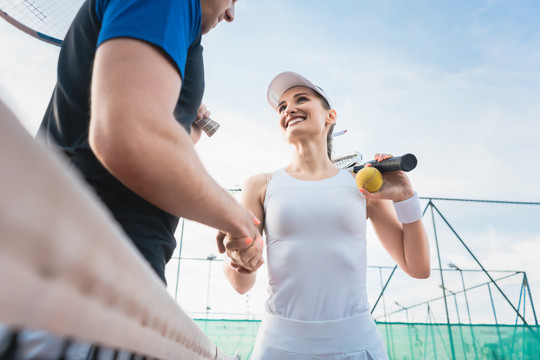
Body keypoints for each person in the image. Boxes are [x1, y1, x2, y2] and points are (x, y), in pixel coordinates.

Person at [37, 0, 263, 282]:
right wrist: (238, 220)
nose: (230, 14)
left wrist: (184, 124)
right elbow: (132, 138)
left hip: (84, 252)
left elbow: (152, 146)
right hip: (92, 257)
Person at [221, 71, 431, 359]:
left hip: (356, 345)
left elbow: (417, 268)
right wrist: (238, 263)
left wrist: (406, 198)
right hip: (280, 345)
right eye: (282, 107)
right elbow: (241, 284)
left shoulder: (362, 185)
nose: (288, 109)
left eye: (301, 99)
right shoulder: (260, 184)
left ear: (330, 116)